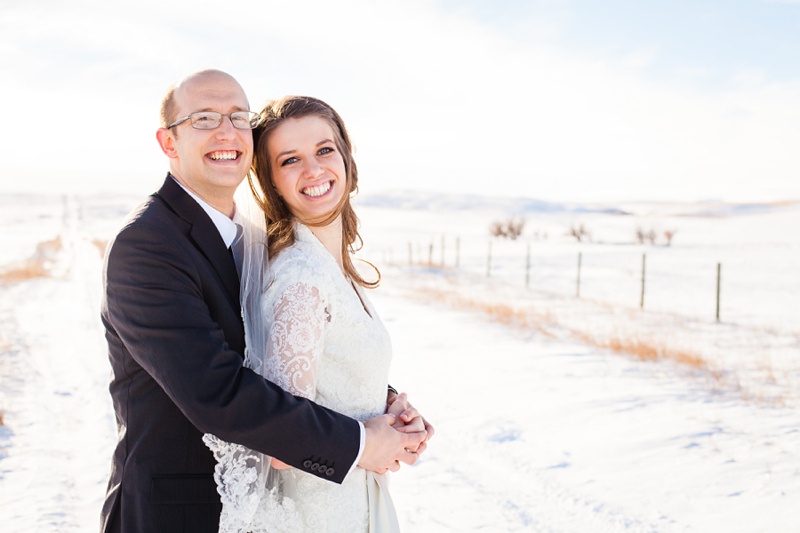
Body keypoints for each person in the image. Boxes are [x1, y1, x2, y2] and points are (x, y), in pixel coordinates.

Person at [100, 70, 431, 533]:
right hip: (179, 513)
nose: (226, 131)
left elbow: (282, 352)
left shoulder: (252, 243)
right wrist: (361, 442)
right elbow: (216, 392)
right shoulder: (148, 245)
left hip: (266, 509)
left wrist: (384, 403)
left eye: (238, 116)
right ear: (168, 142)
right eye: (204, 118)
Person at [204, 95, 415, 532]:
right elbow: (280, 444)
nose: (314, 170)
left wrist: (394, 413)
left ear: (346, 158)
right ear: (271, 182)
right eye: (289, 160)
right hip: (323, 516)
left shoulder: (329, 266)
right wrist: (371, 441)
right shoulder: (301, 278)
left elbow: (331, 377)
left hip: (359, 500)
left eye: (323, 150)